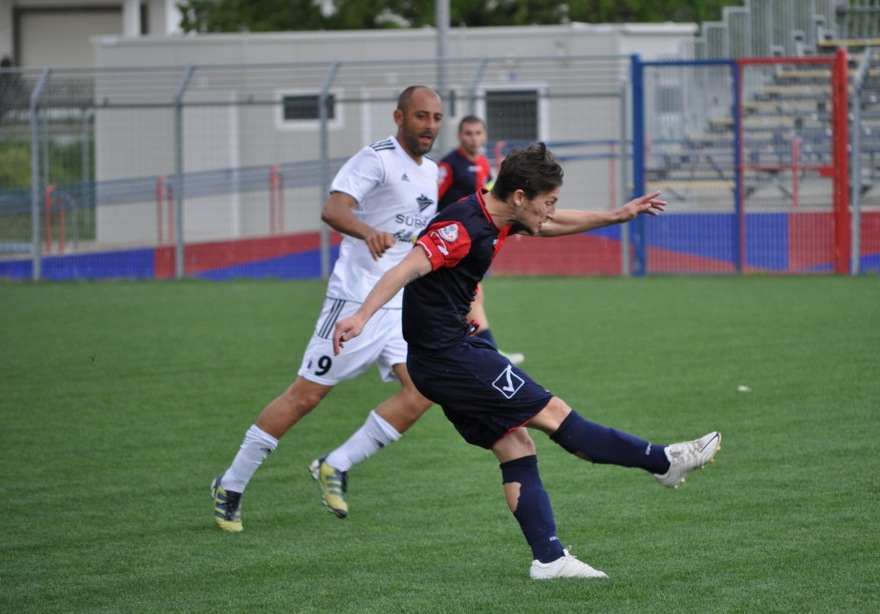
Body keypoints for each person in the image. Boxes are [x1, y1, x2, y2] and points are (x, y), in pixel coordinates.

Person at [331, 142, 722, 579]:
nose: (552, 211)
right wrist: (362, 315)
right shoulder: (461, 226)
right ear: (520, 197)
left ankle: (549, 560)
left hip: (451, 352)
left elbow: (549, 225)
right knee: (555, 415)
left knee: (516, 446)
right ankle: (662, 460)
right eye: (548, 202)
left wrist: (616, 215)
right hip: (448, 357)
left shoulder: (497, 213)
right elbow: (405, 269)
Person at [210, 85, 443, 531]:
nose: (429, 125)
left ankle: (335, 464)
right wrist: (365, 230)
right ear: (399, 117)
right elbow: (333, 208)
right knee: (306, 396)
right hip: (354, 299)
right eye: (421, 116)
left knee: (422, 391)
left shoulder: (431, 171)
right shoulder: (374, 158)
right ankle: (231, 484)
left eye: (435, 117)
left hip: (399, 304)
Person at [438, 114, 524, 365]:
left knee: (473, 296)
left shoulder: (485, 165)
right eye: (468, 133)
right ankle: (488, 352)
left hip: (476, 240)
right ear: (459, 136)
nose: (474, 138)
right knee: (471, 296)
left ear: (485, 136)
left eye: (478, 133)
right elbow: (433, 199)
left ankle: (482, 350)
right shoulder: (449, 166)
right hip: (452, 240)